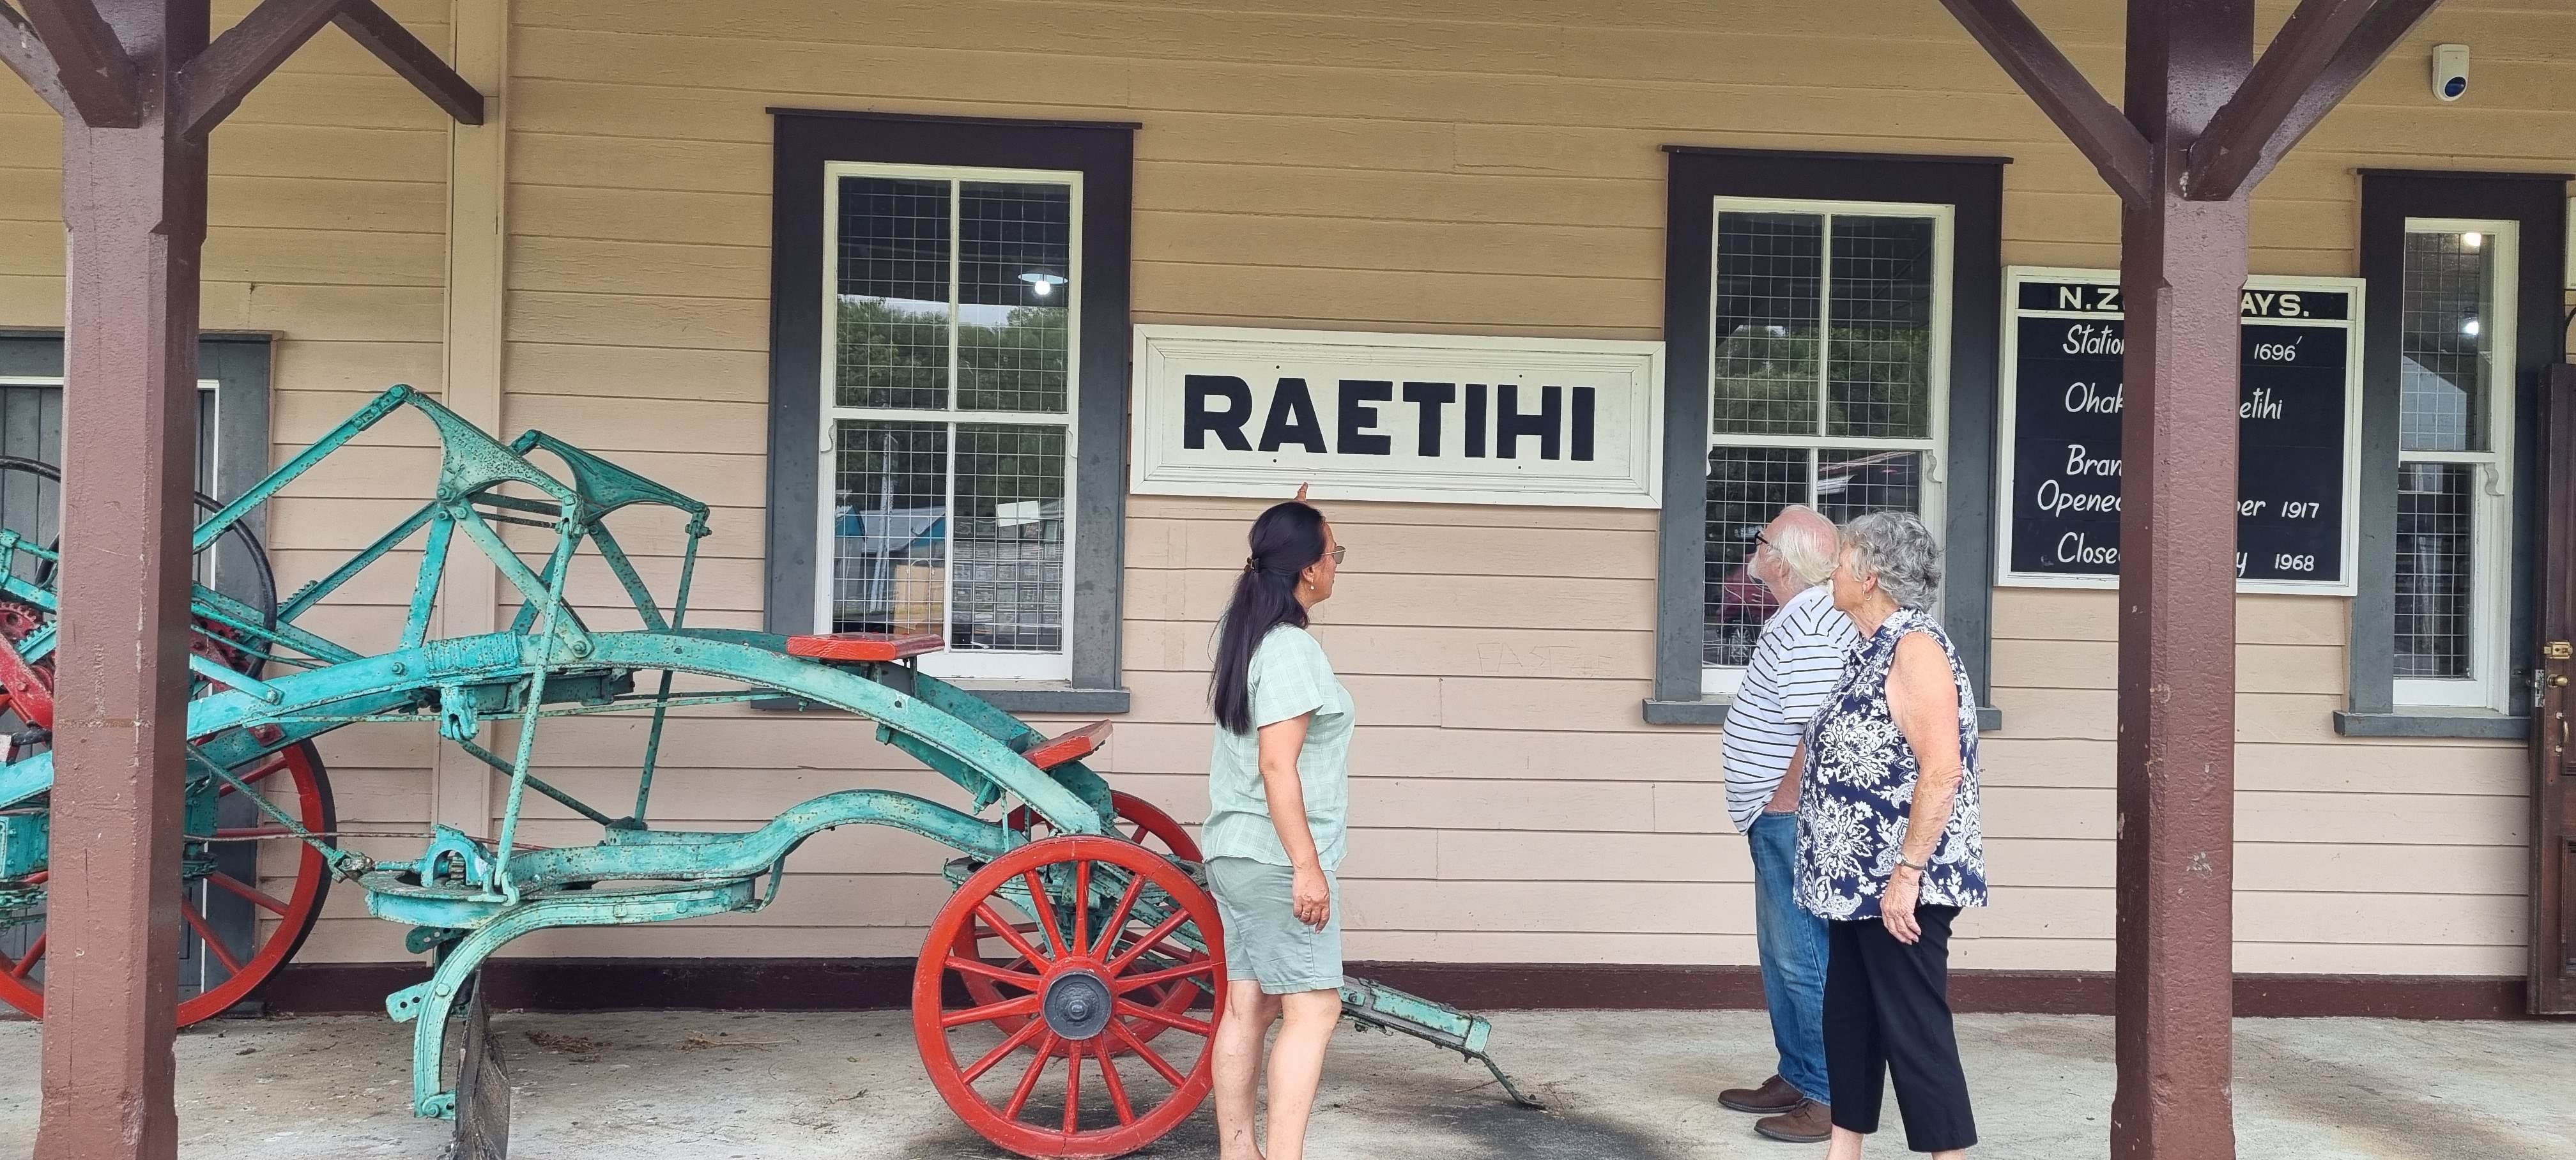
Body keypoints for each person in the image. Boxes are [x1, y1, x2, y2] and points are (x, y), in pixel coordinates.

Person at [1797, 510, 1988, 1159]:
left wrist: (1907, 873)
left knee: (1914, 1029)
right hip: (1854, 883)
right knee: (1850, 1019)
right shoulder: (1870, 647)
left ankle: (1950, 1157)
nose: (1833, 572)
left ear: (1870, 575)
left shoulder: (1917, 648)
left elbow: (1942, 768)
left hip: (1900, 881)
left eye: (1842, 559)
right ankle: (1842, 1151)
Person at [1203, 494, 1349, 1160]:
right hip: (1273, 859)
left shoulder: (1248, 634)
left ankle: (1240, 1152)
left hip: (1234, 852)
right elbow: (1277, 765)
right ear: (1309, 572)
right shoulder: (1289, 649)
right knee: (1314, 1009)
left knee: (1248, 1004)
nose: (1336, 566)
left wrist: (1294, 517)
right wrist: (1307, 865)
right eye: (1333, 553)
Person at [1715, 505, 1859, 1145]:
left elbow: (1819, 728)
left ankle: (1827, 1095)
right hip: (1780, 816)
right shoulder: (1801, 616)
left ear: (1783, 559)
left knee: (1801, 956)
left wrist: (1780, 802)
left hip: (1791, 818)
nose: (1756, 545)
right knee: (1784, 955)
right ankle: (1799, 1073)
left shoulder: (1809, 627)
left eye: (1763, 537)